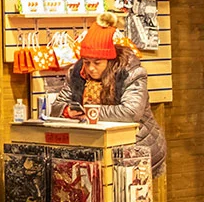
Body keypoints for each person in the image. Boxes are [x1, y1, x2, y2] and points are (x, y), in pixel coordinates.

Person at [50, 12, 168, 175]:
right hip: (96, 148)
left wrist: (88, 112)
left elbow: (130, 112)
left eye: (97, 63)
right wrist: (67, 111)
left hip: (137, 146)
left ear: (109, 60)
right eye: (87, 62)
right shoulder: (77, 73)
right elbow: (56, 106)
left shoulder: (131, 73)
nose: (91, 68)